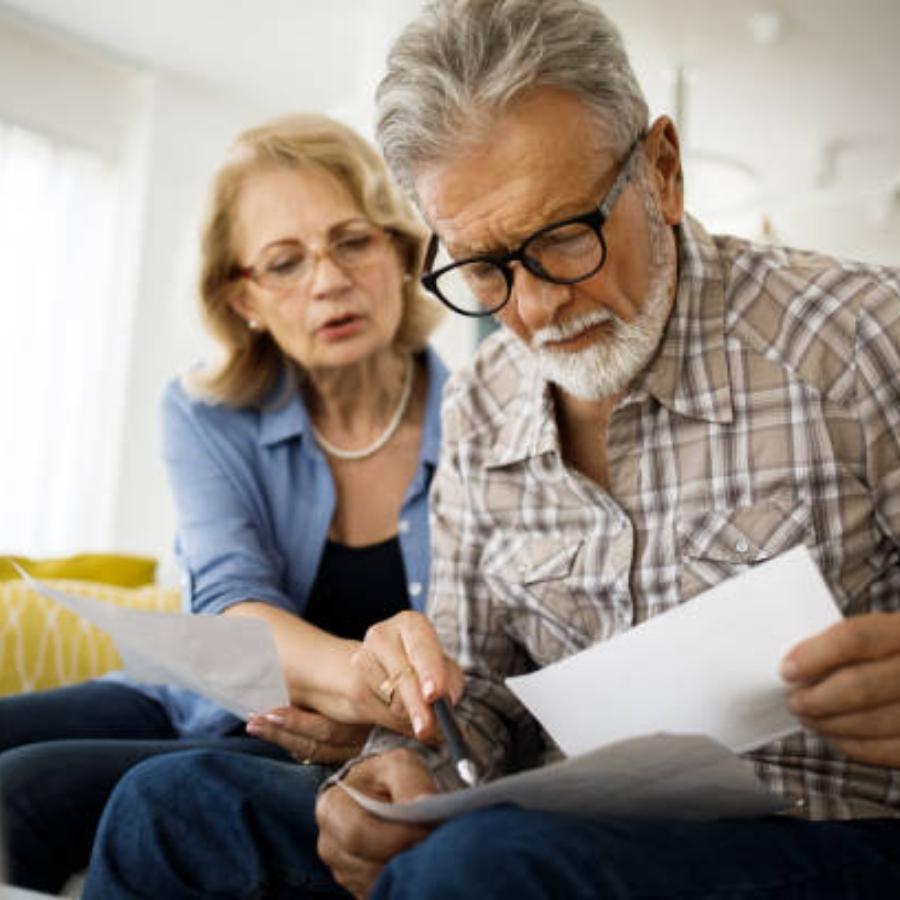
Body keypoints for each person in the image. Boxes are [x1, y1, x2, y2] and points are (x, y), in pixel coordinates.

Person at [81, 1, 900, 898]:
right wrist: (399, 767)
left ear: (662, 171)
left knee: (483, 865)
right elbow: (477, 697)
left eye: (562, 239)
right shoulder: (482, 401)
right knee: (174, 803)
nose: (536, 309)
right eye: (483, 266)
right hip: (561, 829)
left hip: (827, 837)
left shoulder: (862, 337)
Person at [0, 111, 460, 894]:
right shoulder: (203, 412)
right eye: (285, 262)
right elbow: (228, 600)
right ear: (242, 295)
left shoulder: (478, 416)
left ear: (398, 247)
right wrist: (367, 681)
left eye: (352, 241)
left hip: (315, 739)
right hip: (195, 699)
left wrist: (370, 716)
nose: (328, 279)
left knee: (20, 790)